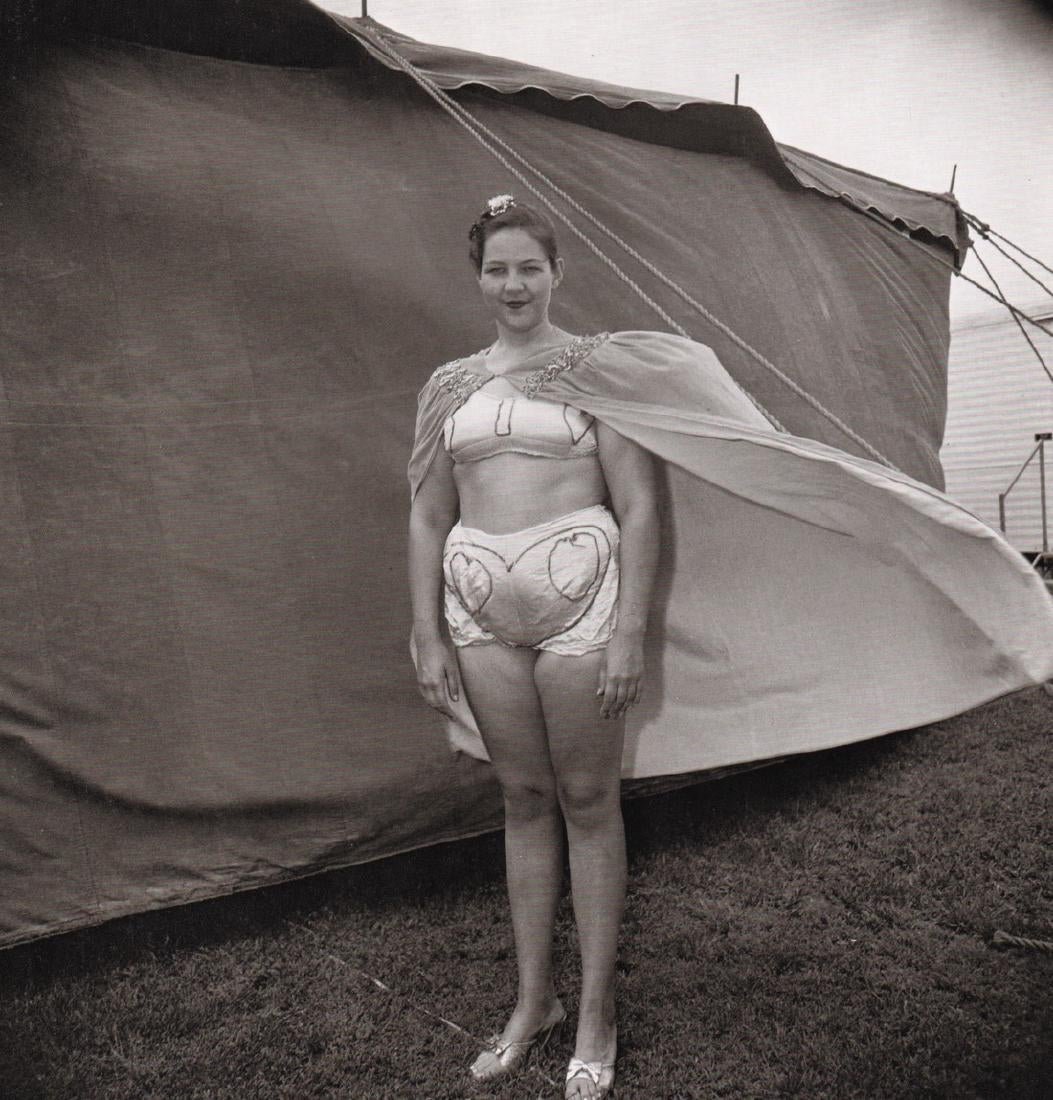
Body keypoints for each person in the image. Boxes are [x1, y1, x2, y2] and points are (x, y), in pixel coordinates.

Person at [408, 195, 658, 1098]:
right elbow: (429, 510)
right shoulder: (450, 386)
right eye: (496, 268)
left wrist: (630, 629)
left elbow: (637, 504)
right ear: (478, 277)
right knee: (520, 796)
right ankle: (532, 1003)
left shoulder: (598, 373)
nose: (512, 284)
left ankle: (595, 1013)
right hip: (478, 614)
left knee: (587, 796)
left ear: (557, 273)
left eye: (529, 267)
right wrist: (424, 628)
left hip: (583, 609)